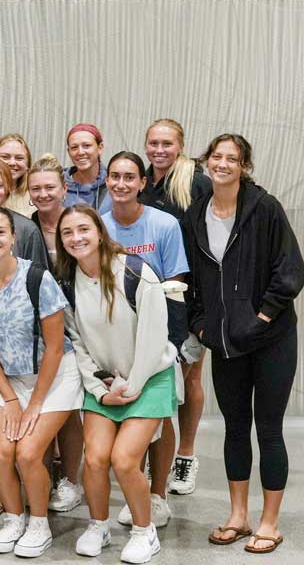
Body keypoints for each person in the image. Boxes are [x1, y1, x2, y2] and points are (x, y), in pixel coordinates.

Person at [184, 134, 304, 554]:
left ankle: (269, 523)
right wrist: (201, 325)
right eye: (216, 157)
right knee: (235, 429)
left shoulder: (265, 208)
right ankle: (239, 516)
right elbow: (194, 279)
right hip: (225, 343)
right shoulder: (197, 213)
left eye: (231, 158)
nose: (223, 164)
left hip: (271, 339)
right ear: (206, 163)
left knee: (268, 430)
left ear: (244, 166)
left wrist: (263, 316)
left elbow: (290, 269)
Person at [56, 205, 176, 564]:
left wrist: (135, 384)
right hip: (105, 384)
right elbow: (76, 342)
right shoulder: (67, 282)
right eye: (67, 233)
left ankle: (144, 531)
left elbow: (155, 337)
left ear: (99, 231)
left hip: (149, 378)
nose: (76, 238)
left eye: (83, 229)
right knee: (93, 460)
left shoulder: (136, 272)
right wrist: (99, 389)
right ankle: (99, 525)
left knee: (124, 461)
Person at [0, 207, 83, 558]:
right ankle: (14, 519)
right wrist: (10, 397)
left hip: (56, 376)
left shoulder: (37, 278)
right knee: (1, 454)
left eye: (0, 232)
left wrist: (34, 403)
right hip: (12, 380)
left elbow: (56, 348)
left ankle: (39, 524)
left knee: (29, 454)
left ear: (13, 236)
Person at [101, 151, 189, 530]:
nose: (121, 183)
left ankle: (158, 495)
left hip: (159, 336)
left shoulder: (165, 225)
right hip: (116, 338)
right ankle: (134, 488)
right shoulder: (98, 225)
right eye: (115, 176)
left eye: (129, 177)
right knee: (129, 416)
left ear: (141, 183)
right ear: (107, 181)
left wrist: (170, 340)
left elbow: (178, 284)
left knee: (161, 414)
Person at [140, 118, 212, 496]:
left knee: (188, 378)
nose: (159, 150)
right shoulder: (141, 181)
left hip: (188, 295)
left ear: (180, 145)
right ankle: (155, 459)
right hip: (144, 297)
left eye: (167, 143)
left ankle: (184, 455)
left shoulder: (195, 181)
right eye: (153, 143)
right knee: (155, 381)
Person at [28, 154, 68, 262]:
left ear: (64, 188)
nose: (43, 195)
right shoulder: (26, 229)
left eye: (50, 187)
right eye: (36, 189)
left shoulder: (79, 223)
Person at [64, 124, 111, 213]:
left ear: (100, 148)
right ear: (68, 151)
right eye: (74, 147)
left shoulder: (113, 184)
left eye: (86, 145)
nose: (80, 152)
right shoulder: (58, 186)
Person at [0, 134, 34, 213]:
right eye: (5, 157)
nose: (12, 163)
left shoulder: (35, 196)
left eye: (19, 158)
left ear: (28, 164)